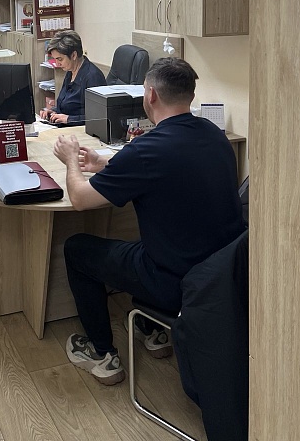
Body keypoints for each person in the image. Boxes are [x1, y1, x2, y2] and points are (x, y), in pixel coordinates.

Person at [53, 57, 245, 385]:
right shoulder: (215, 136)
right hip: (223, 276)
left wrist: (71, 159)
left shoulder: (146, 149)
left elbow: (81, 199)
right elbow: (170, 171)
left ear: (151, 95)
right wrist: (107, 165)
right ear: (190, 95)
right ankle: (154, 330)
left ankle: (101, 353)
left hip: (173, 282)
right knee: (147, 241)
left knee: (77, 249)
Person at [39, 30, 106, 126]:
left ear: (74, 55)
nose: (57, 63)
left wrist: (69, 119)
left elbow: (99, 117)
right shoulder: (70, 71)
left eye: (60, 59)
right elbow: (66, 105)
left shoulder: (93, 77)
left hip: (80, 130)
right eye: (55, 59)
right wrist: (53, 111)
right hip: (66, 127)